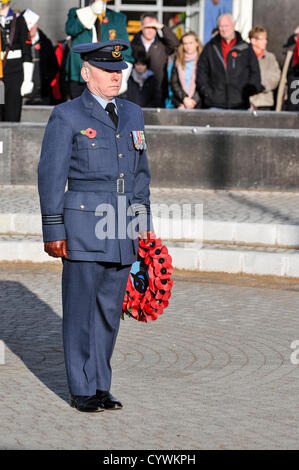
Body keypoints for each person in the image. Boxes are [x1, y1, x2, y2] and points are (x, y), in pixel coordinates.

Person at [38, 39, 152, 413]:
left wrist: (142, 226)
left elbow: (140, 176)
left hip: (121, 228)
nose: (116, 77)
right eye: (107, 71)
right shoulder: (67, 116)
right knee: (80, 310)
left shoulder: (133, 113)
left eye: (119, 71)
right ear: (87, 74)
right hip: (84, 227)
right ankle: (81, 388)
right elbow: (50, 175)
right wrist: (54, 230)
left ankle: (101, 385)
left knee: (107, 311)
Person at [65, 0, 133, 99]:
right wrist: (91, 11)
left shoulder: (117, 18)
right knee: (79, 110)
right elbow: (70, 29)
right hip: (79, 74)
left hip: (106, 73)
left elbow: (125, 50)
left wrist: (124, 77)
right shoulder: (75, 13)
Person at [196, 13, 264, 110]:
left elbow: (255, 72)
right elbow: (201, 72)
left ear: (234, 25)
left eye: (226, 26)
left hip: (240, 103)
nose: (224, 29)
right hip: (215, 104)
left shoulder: (245, 48)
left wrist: (248, 91)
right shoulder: (210, 48)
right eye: (221, 26)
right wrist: (207, 92)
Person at [131, 12, 179, 106]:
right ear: (141, 27)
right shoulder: (133, 44)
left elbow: (175, 43)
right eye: (147, 27)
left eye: (153, 27)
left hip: (159, 93)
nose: (150, 30)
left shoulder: (162, 44)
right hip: (136, 94)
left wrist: (162, 27)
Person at [0, 0, 33, 121]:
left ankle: (9, 140)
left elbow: (27, 50)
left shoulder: (18, 20)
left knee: (11, 113)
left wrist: (28, 79)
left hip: (14, 72)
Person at [22, 8, 58, 105]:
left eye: (32, 24)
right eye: (28, 26)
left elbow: (54, 66)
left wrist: (46, 79)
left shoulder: (45, 43)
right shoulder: (18, 45)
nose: (31, 28)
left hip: (43, 94)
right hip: (23, 96)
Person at [248, 26, 281, 111]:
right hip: (247, 103)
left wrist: (262, 86)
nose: (265, 42)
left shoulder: (270, 57)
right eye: (262, 39)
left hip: (265, 103)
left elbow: (275, 77)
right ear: (253, 41)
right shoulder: (244, 57)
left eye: (265, 39)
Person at [171, 31, 203, 109]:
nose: (188, 46)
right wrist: (184, 99)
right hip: (181, 103)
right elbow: (174, 82)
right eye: (185, 43)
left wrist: (194, 101)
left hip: (198, 104)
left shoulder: (203, 59)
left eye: (190, 43)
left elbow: (205, 83)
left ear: (197, 43)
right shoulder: (178, 60)